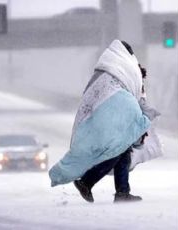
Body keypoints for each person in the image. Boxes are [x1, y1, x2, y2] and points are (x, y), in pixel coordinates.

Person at [49, 40, 158, 203]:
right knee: (117, 149)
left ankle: (122, 191)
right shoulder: (124, 67)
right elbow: (133, 90)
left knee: (122, 150)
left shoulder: (104, 69)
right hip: (112, 114)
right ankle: (87, 181)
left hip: (102, 114)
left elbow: (93, 93)